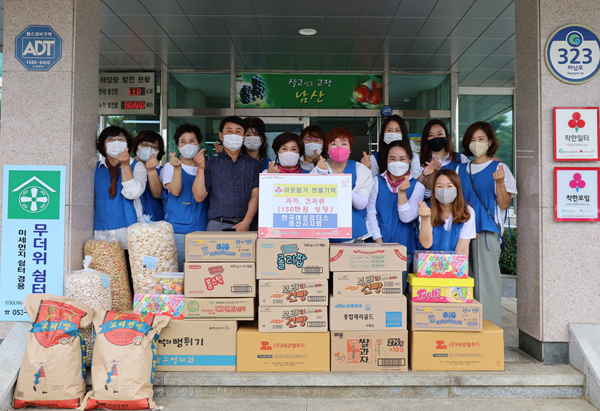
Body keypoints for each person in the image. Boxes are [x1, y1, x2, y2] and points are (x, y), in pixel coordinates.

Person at [456, 121, 517, 328]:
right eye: (472, 139)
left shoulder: (500, 167)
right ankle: (467, 326)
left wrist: (499, 183)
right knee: (465, 281)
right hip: (463, 233)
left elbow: (504, 203)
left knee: (487, 284)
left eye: (481, 139)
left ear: (490, 142)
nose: (476, 143)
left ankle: (490, 331)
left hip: (486, 233)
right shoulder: (460, 168)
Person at [366, 141, 426, 292]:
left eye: (402, 158)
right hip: (376, 247)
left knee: (398, 292)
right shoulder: (376, 182)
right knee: (375, 289)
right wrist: (380, 243)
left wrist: (402, 192)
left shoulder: (418, 187)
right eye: (392, 158)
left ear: (410, 160)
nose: (397, 162)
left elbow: (407, 217)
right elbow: (370, 214)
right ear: (386, 160)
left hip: (404, 248)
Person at [193, 116, 262, 231]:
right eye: (229, 131)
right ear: (221, 136)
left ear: (244, 137)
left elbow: (256, 195)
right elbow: (199, 196)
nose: (233, 135)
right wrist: (200, 169)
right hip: (217, 225)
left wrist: (247, 221)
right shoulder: (210, 164)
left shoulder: (254, 165)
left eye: (238, 131)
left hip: (246, 225)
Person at [311, 127, 373, 242]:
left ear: (350, 150)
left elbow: (361, 204)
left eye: (344, 144)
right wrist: (323, 175)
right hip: (323, 236)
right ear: (327, 149)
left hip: (354, 236)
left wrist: (343, 185)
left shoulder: (361, 170)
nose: (339, 148)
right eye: (334, 144)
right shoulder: (318, 169)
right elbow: (311, 199)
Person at [160, 123, 208, 268]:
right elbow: (175, 190)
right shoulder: (169, 167)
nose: (188, 145)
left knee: (199, 271)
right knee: (179, 271)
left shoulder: (207, 168)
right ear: (178, 146)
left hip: (202, 229)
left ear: (199, 144)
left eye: (192, 141)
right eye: (183, 142)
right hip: (178, 230)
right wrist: (177, 168)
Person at [94, 126, 147, 248]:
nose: (116, 142)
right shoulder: (95, 168)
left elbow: (133, 193)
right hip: (101, 229)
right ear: (103, 146)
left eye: (121, 139)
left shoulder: (137, 166)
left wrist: (125, 165)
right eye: (111, 139)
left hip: (129, 227)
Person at [417, 169, 476, 255]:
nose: (444, 190)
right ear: (434, 189)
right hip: (428, 263)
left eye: (449, 186)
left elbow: (462, 249)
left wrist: (456, 267)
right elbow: (426, 244)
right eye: (439, 186)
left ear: (457, 189)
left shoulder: (467, 211)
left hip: (454, 263)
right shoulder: (426, 209)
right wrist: (425, 218)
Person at [361, 114, 423, 180]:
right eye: (389, 130)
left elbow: (415, 180)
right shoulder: (375, 158)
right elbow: (373, 182)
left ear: (403, 133)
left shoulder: (413, 156)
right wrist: (366, 169)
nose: (393, 133)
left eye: (397, 130)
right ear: (383, 134)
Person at [131, 130, 166, 222]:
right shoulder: (127, 167)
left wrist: (151, 170)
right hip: (130, 221)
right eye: (145, 145)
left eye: (154, 147)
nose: (149, 149)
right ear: (136, 146)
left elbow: (158, 194)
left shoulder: (163, 171)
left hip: (156, 221)